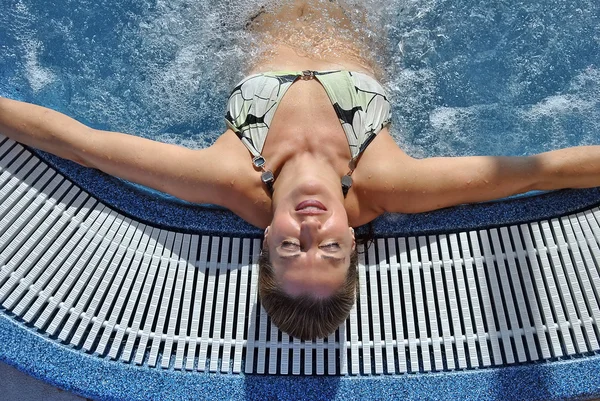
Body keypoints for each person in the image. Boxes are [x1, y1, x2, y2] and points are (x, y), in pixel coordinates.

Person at [1, 0, 600, 340]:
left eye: (293, 248)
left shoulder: (227, 174)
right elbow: (537, 172)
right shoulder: (387, 180)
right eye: (330, 251)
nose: (312, 228)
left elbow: (80, 142)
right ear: (351, 244)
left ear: (266, 240)